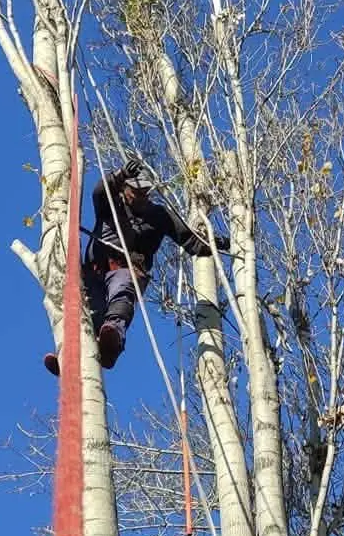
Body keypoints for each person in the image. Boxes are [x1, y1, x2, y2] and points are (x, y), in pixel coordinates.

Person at [44, 157, 219, 374]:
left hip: (126, 270)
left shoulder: (159, 216)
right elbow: (99, 191)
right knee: (84, 312)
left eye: (145, 192)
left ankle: (112, 340)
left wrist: (216, 243)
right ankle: (68, 358)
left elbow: (190, 240)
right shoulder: (111, 204)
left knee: (122, 288)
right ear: (125, 189)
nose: (141, 196)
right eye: (135, 191)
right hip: (94, 271)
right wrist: (119, 175)